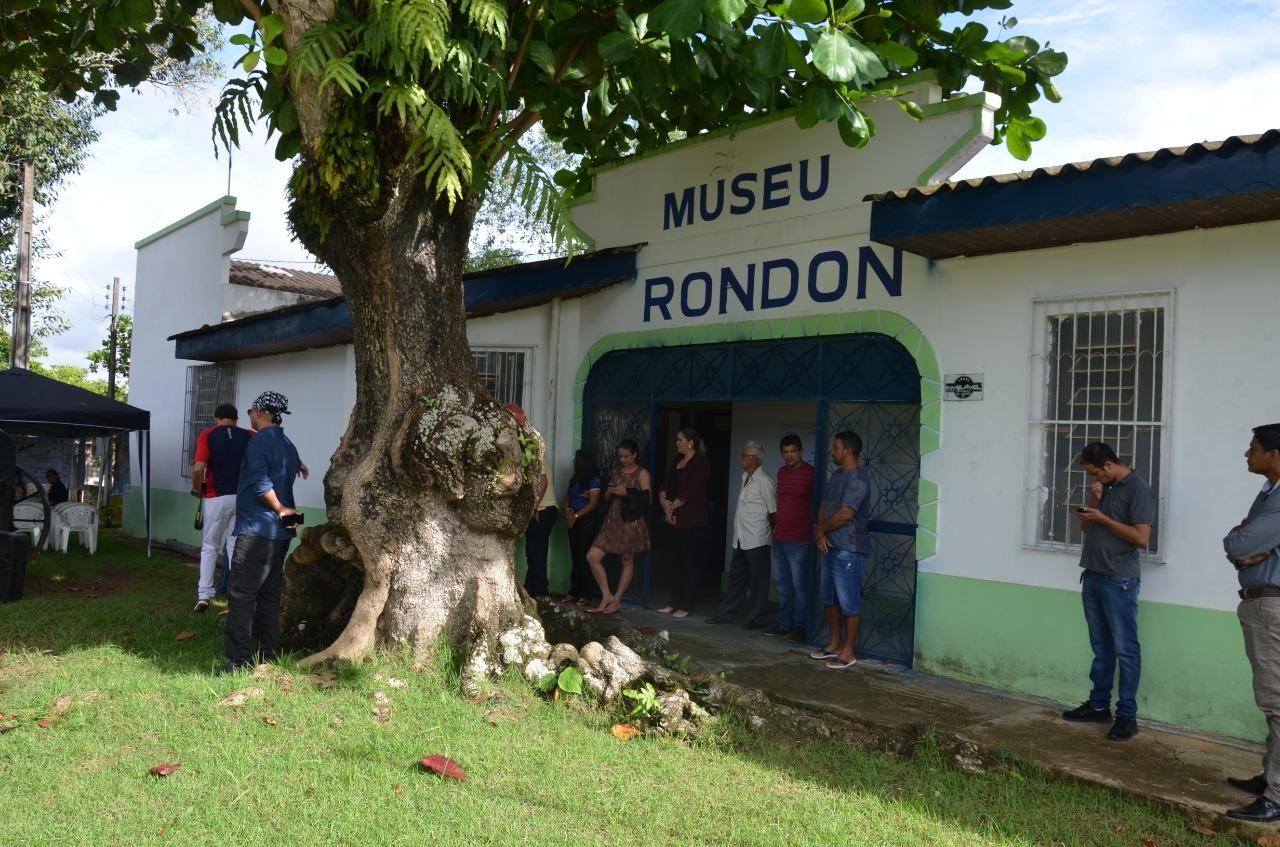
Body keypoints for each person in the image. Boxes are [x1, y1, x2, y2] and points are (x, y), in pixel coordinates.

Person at [1059, 442, 1155, 742]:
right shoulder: (1106, 488)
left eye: (1094, 473)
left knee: (1126, 649)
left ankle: (1127, 715)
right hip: (1093, 576)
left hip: (1119, 581)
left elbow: (1141, 538)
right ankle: (1099, 705)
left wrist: (1103, 518)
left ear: (1110, 465)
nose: (1093, 479)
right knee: (1101, 648)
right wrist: (1095, 504)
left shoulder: (1138, 489)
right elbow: (1090, 530)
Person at [221, 391, 305, 674]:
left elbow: (260, 484)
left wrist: (280, 508)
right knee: (269, 594)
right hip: (282, 533)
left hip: (258, 527)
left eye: (250, 413)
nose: (250, 418)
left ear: (258, 412)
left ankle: (239, 661)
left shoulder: (258, 443)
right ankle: (264, 655)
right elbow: (292, 467)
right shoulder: (288, 443)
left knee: (242, 593)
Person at [1222, 424, 1280, 822]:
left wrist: (1243, 544)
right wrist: (1244, 549)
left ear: (1275, 454)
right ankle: (1270, 777)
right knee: (1273, 701)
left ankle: (1276, 794)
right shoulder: (1269, 493)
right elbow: (1241, 549)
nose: (1247, 454)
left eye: (1253, 448)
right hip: (1261, 604)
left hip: (1271, 607)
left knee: (1277, 702)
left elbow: (1239, 543)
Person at [810, 431, 871, 670]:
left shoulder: (858, 479)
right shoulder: (837, 475)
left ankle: (849, 651)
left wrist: (819, 531)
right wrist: (820, 532)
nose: (832, 451)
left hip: (849, 548)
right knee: (829, 598)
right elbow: (825, 505)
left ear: (847, 450)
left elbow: (846, 514)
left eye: (835, 447)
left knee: (849, 602)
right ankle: (834, 644)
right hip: (829, 545)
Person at [190, 403, 254, 613]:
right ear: (236, 419)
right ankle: (235, 600)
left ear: (216, 419)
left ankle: (204, 596)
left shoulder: (208, 435)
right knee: (235, 548)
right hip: (242, 499)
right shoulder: (249, 435)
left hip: (216, 498)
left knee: (210, 547)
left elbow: (199, 467)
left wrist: (196, 489)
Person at [707, 441, 776, 629]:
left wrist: (769, 535)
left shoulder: (765, 481)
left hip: (758, 538)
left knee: (759, 581)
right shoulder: (745, 476)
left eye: (744, 455)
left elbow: (773, 512)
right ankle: (727, 612)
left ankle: (757, 617)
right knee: (737, 578)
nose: (741, 458)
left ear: (753, 459)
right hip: (741, 537)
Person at [585, 439, 651, 615]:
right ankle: (606, 595)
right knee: (592, 556)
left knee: (626, 559)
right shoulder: (616, 472)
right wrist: (609, 492)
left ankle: (617, 600)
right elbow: (606, 498)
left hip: (630, 522)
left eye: (626, 456)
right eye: (620, 456)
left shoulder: (641, 473)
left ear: (635, 454)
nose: (622, 460)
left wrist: (627, 492)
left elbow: (647, 499)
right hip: (612, 520)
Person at [657, 428, 711, 619]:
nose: (676, 443)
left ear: (690, 442)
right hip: (672, 520)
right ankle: (672, 601)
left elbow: (691, 491)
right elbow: (664, 485)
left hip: (691, 520)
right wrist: (664, 503)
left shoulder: (700, 464)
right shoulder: (675, 461)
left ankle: (686, 604)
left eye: (679, 440)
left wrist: (673, 507)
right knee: (673, 562)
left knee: (689, 564)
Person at [768, 434, 814, 643]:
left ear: (801, 451)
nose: (789, 456)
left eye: (793, 451)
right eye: (785, 452)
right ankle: (784, 624)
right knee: (782, 585)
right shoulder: (782, 472)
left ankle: (801, 627)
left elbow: (816, 505)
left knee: (799, 586)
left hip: (799, 538)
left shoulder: (810, 473)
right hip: (780, 536)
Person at [561, 449, 602, 605]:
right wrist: (567, 511)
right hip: (573, 518)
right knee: (575, 556)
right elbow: (567, 498)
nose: (573, 462)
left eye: (576, 459)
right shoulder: (575, 479)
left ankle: (586, 594)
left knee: (584, 557)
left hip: (586, 520)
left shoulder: (594, 480)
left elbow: (592, 504)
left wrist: (576, 516)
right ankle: (574, 591)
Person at [522, 460, 559, 600]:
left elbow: (543, 483)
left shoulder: (537, 459)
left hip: (542, 510)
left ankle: (540, 592)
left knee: (536, 553)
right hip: (541, 510)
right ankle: (531, 589)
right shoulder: (534, 459)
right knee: (532, 553)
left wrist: (534, 507)